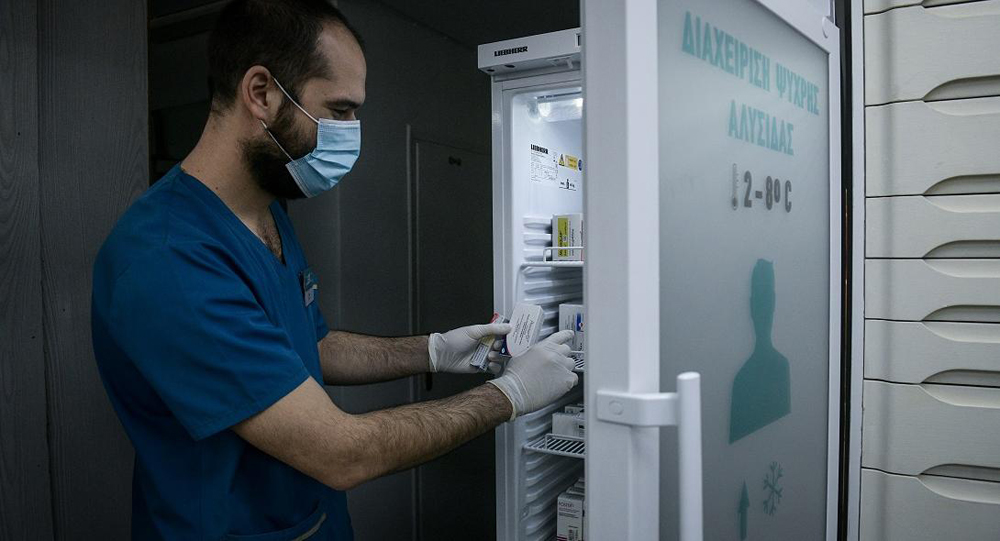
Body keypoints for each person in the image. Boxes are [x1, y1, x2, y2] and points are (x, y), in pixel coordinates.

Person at [90, 1, 578, 539]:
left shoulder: (265, 210)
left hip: (313, 522)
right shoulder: (170, 257)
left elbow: (308, 345)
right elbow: (339, 453)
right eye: (340, 110)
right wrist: (509, 395)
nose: (352, 132)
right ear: (261, 93)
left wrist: (434, 350)